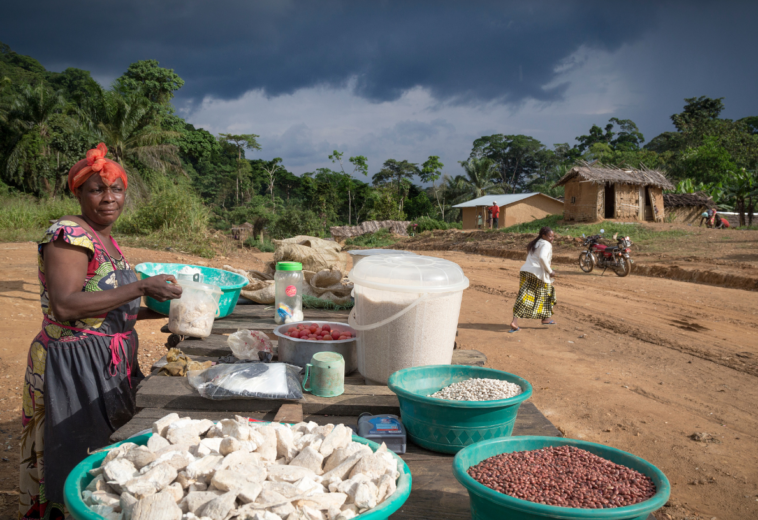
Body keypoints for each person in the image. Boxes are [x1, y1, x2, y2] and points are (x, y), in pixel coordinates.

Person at [19, 143, 183, 519]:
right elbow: (66, 304)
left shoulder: (106, 239)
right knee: (73, 453)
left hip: (104, 359)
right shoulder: (68, 234)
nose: (109, 198)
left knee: (104, 452)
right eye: (97, 189)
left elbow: (104, 304)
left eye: (117, 189)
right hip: (71, 364)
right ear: (78, 193)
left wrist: (159, 310)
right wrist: (142, 286)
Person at [509, 226, 557, 332]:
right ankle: (544, 318)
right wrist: (550, 271)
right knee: (546, 293)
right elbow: (542, 257)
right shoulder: (546, 244)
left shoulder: (536, 243)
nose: (552, 238)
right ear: (543, 236)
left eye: (553, 236)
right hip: (536, 273)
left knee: (526, 294)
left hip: (525, 271)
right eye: (550, 236)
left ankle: (516, 321)